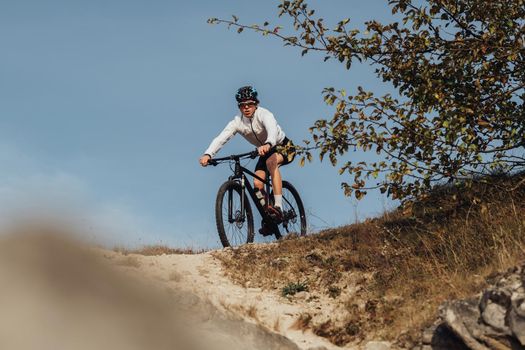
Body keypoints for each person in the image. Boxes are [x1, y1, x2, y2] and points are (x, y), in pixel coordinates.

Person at [199, 86, 295, 234]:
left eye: (249, 104)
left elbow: (272, 130)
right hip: (264, 150)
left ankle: (278, 207)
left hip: (282, 146)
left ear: (256, 103)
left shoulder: (264, 114)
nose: (246, 108)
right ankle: (269, 218)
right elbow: (221, 138)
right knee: (257, 184)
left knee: (271, 162)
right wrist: (208, 154)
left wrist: (269, 144)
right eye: (242, 105)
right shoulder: (237, 121)